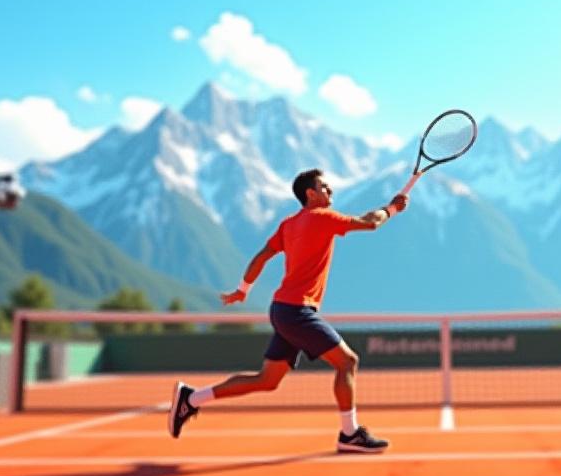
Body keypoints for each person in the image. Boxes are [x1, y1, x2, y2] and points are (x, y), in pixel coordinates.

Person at [167, 168, 409, 453]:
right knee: (347, 362)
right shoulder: (322, 218)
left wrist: (242, 290)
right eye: (325, 187)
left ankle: (192, 399)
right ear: (311, 193)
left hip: (281, 309)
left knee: (267, 380)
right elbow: (370, 224)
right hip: (297, 312)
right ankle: (349, 433)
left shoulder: (288, 224)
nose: (330, 191)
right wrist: (392, 208)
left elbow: (262, 256)